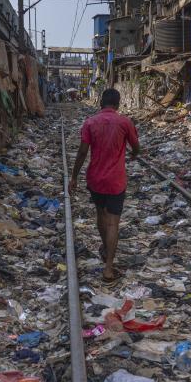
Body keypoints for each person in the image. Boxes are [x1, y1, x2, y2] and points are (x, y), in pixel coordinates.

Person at [69, 88, 140, 282]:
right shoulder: (125, 122)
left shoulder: (90, 122)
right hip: (116, 180)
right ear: (117, 104)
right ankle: (109, 267)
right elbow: (136, 146)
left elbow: (82, 151)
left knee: (101, 215)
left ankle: (105, 247)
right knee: (113, 222)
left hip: (95, 179)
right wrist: (133, 154)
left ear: (101, 102)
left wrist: (74, 177)